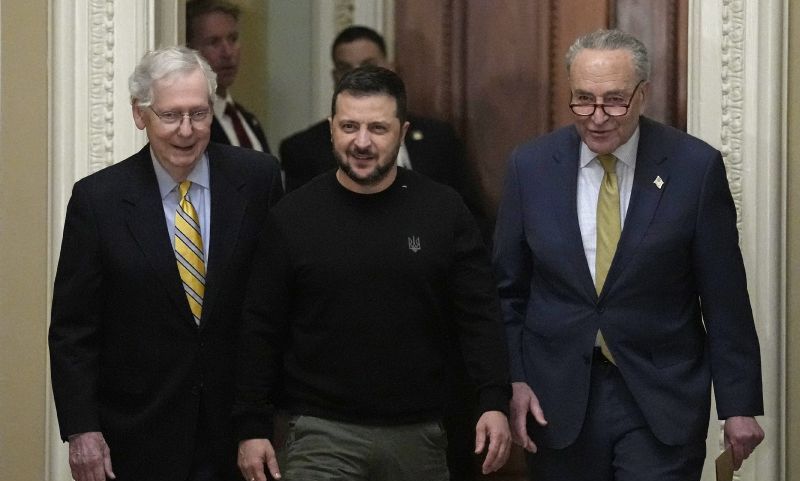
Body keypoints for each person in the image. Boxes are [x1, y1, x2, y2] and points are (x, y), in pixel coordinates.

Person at [493, 29, 765, 481]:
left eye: (614, 101)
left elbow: (724, 297)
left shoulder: (694, 169)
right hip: (557, 400)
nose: (597, 117)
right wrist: (513, 380)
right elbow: (507, 290)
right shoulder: (531, 167)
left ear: (643, 95)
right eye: (583, 100)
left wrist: (738, 406)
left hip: (660, 400)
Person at [234, 65, 511, 481]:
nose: (361, 142)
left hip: (420, 437)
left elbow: (479, 316)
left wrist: (494, 401)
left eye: (378, 129)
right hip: (319, 435)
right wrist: (251, 427)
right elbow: (260, 326)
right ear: (331, 129)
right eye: (349, 126)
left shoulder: (444, 211)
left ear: (402, 132)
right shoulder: (293, 216)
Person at [48, 46, 283, 481]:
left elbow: (270, 308)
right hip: (135, 435)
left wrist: (259, 420)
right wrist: (82, 429)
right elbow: (73, 330)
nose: (187, 131)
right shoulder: (98, 201)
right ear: (141, 115)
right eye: (171, 116)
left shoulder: (258, 180)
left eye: (199, 114)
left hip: (237, 436)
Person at [279, 26, 474, 202]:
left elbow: (469, 215)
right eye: (346, 69)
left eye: (368, 65)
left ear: (391, 68)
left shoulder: (439, 138)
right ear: (334, 77)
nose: (358, 76)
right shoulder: (302, 150)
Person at [187, 0, 271, 152]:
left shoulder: (248, 121)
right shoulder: (189, 125)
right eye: (213, 42)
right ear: (190, 49)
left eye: (233, 39)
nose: (227, 52)